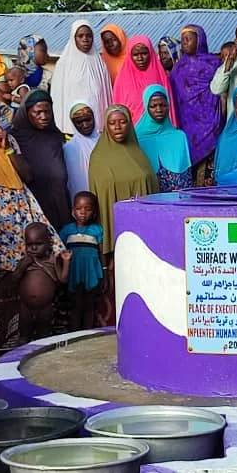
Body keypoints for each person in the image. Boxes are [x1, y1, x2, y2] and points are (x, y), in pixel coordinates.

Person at [0, 90, 60, 349]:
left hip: (16, 213)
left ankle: (21, 337)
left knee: (27, 268)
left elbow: (27, 175)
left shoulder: (10, 140)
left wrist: (7, 149)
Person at [88, 105, 159, 325]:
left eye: (122, 122)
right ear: (106, 127)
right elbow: (97, 198)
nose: (118, 127)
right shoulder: (99, 158)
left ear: (130, 124)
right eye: (112, 123)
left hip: (143, 231)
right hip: (115, 232)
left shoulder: (139, 155)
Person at [11, 89, 71, 229]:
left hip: (59, 203)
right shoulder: (15, 138)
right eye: (37, 112)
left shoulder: (55, 135)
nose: (44, 116)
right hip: (34, 204)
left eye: (47, 111)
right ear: (27, 113)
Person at [171, 25, 223, 186]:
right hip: (188, 127)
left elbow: (220, 90)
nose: (185, 43)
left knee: (211, 173)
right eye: (183, 40)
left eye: (189, 39)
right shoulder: (177, 68)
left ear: (199, 40)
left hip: (212, 123)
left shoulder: (214, 64)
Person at [51, 20, 113, 134]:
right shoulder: (64, 64)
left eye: (89, 35)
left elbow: (106, 95)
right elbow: (58, 98)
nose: (85, 39)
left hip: (98, 127)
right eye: (80, 36)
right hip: (72, 129)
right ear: (74, 38)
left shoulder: (99, 63)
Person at [12, 222, 70, 342]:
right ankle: (21, 356)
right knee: (24, 335)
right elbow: (14, 279)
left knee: (43, 335)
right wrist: (23, 266)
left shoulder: (52, 261)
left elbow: (62, 280)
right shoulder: (24, 261)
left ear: (48, 244)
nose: (33, 248)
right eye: (30, 244)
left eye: (38, 244)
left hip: (46, 307)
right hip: (25, 307)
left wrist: (66, 262)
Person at [58, 191, 104, 331]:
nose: (82, 213)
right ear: (73, 211)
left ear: (94, 213)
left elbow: (101, 252)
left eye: (88, 209)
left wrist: (105, 271)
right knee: (75, 305)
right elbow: (61, 252)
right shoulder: (67, 230)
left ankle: (87, 334)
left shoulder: (97, 230)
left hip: (91, 272)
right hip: (74, 272)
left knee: (90, 305)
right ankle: (75, 334)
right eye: (78, 209)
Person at [135, 85, 193, 192]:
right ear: (146, 108)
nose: (159, 110)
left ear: (168, 106)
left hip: (177, 200)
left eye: (163, 105)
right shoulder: (137, 139)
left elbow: (187, 176)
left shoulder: (179, 137)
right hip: (151, 200)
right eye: (153, 106)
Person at [112, 36, 174, 123]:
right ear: (129, 55)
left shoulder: (160, 75)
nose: (140, 58)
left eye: (144, 53)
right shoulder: (121, 81)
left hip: (160, 128)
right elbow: (118, 111)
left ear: (151, 53)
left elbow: (169, 106)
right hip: (133, 131)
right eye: (135, 55)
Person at [63, 102, 100, 201]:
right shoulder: (68, 148)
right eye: (79, 122)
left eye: (88, 120)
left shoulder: (104, 142)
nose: (85, 125)